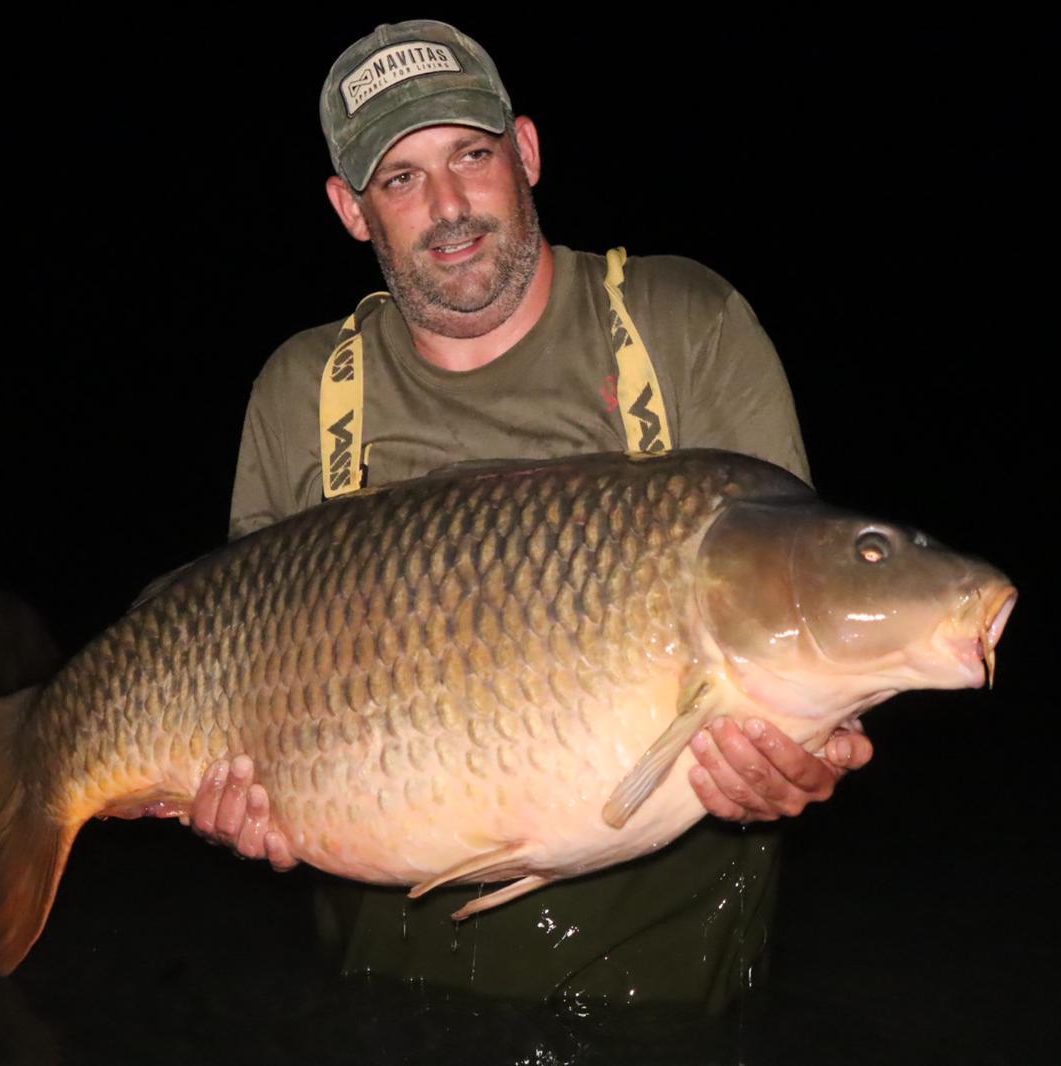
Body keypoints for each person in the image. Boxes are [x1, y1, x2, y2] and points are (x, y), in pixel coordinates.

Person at [186, 20, 873, 1012]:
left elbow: (794, 615)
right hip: (386, 969)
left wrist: (803, 757)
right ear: (349, 209)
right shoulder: (302, 391)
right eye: (401, 178)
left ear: (527, 151)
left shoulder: (683, 327)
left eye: (471, 155)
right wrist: (232, 801)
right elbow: (238, 673)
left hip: (662, 970)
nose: (449, 207)